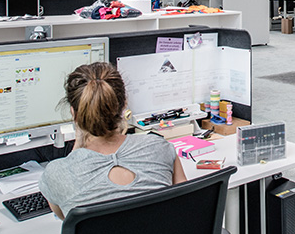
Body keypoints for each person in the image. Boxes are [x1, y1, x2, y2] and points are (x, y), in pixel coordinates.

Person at [39, 62, 186, 219]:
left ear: (73, 113)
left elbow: (66, 219)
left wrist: (79, 140)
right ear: (124, 106)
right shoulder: (160, 148)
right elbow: (186, 205)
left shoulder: (56, 173)